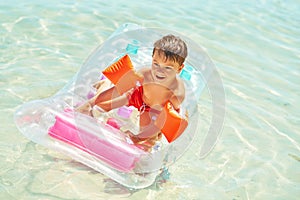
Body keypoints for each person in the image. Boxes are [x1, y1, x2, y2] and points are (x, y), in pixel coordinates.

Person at [76, 34, 188, 151]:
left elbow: (165, 119)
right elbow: (119, 89)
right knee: (104, 104)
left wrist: (138, 138)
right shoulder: (145, 74)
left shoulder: (177, 93)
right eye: (156, 64)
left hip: (154, 110)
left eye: (168, 68)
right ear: (152, 59)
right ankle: (103, 85)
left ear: (179, 68)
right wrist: (90, 104)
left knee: (148, 142)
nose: (159, 71)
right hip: (138, 96)